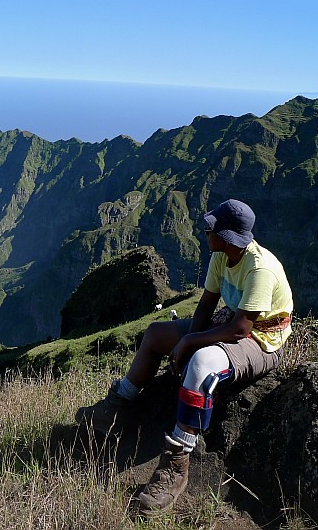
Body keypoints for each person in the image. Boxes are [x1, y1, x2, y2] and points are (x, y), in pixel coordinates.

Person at [75, 198, 293, 514]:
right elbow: (206, 305)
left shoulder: (260, 269)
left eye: (211, 229)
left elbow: (240, 330)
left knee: (202, 363)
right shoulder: (222, 256)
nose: (205, 232)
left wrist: (191, 342)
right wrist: (185, 341)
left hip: (261, 340)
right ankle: (117, 408)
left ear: (228, 236)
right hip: (231, 322)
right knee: (155, 334)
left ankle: (177, 464)